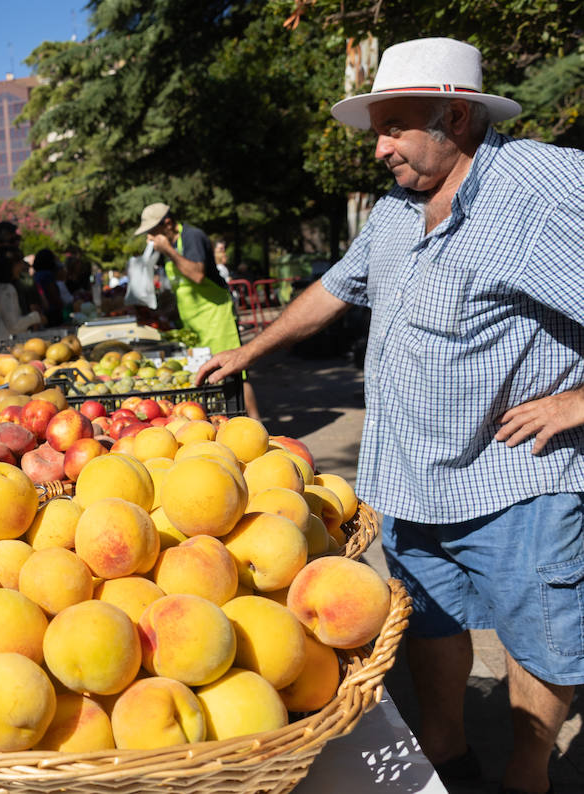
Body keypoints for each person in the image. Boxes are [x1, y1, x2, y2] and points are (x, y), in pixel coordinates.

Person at [197, 37, 584, 794]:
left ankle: (527, 773)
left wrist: (577, 403)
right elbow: (339, 287)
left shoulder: (545, 188)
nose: (378, 149)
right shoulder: (399, 208)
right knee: (429, 627)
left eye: (394, 128)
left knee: (538, 642)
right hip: (410, 476)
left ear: (457, 120)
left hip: (516, 481)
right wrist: (252, 352)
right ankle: (448, 759)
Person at [135, 203, 260, 419]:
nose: (150, 237)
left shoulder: (192, 237)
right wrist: (163, 313)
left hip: (215, 317)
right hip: (194, 324)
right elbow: (180, 289)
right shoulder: (168, 250)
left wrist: (168, 250)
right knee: (207, 375)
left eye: (153, 231)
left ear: (168, 223)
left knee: (233, 371)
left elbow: (197, 275)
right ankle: (225, 422)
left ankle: (257, 423)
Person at [31, 248, 66, 327]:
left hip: (43, 312)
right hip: (52, 314)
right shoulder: (47, 275)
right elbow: (52, 293)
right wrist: (60, 304)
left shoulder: (36, 275)